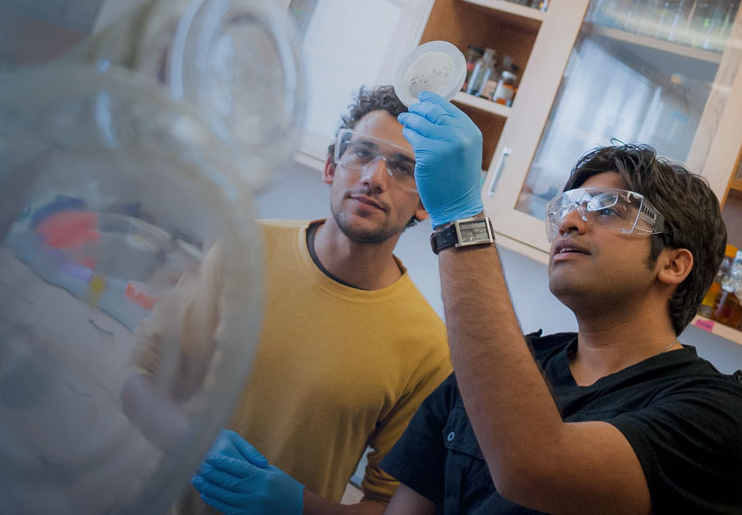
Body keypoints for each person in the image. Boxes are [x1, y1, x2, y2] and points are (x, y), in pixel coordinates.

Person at [377, 92, 742, 513]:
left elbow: (535, 467)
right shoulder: (497, 367)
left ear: (673, 264)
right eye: (567, 208)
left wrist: (461, 221)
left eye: (606, 209)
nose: (569, 221)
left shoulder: (715, 415)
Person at [128, 86, 452, 514]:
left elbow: (393, 506)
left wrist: (299, 506)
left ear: (424, 203)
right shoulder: (245, 250)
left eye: (402, 168)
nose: (375, 178)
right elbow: (140, 380)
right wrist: (190, 445)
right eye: (362, 153)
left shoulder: (429, 348)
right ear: (332, 166)